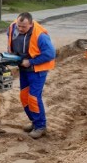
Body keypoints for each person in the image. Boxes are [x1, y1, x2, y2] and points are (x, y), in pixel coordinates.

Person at [7, 11, 55, 139]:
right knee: (24, 97)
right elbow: (10, 39)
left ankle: (40, 126)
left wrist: (31, 61)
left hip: (37, 70)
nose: (20, 29)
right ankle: (34, 122)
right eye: (19, 26)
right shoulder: (13, 27)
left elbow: (50, 54)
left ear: (31, 24)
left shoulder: (40, 35)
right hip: (23, 68)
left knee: (33, 97)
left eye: (24, 27)